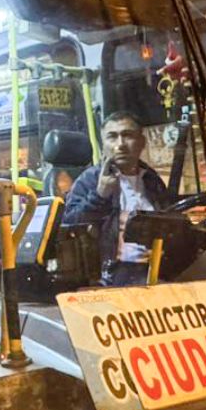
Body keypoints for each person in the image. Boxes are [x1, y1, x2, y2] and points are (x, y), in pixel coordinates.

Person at [62, 112, 171, 287]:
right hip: (112, 274)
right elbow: (70, 224)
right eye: (112, 137)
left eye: (127, 135)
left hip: (158, 267)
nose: (120, 144)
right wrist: (100, 195)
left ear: (141, 142)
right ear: (103, 144)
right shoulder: (90, 180)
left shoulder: (151, 179)